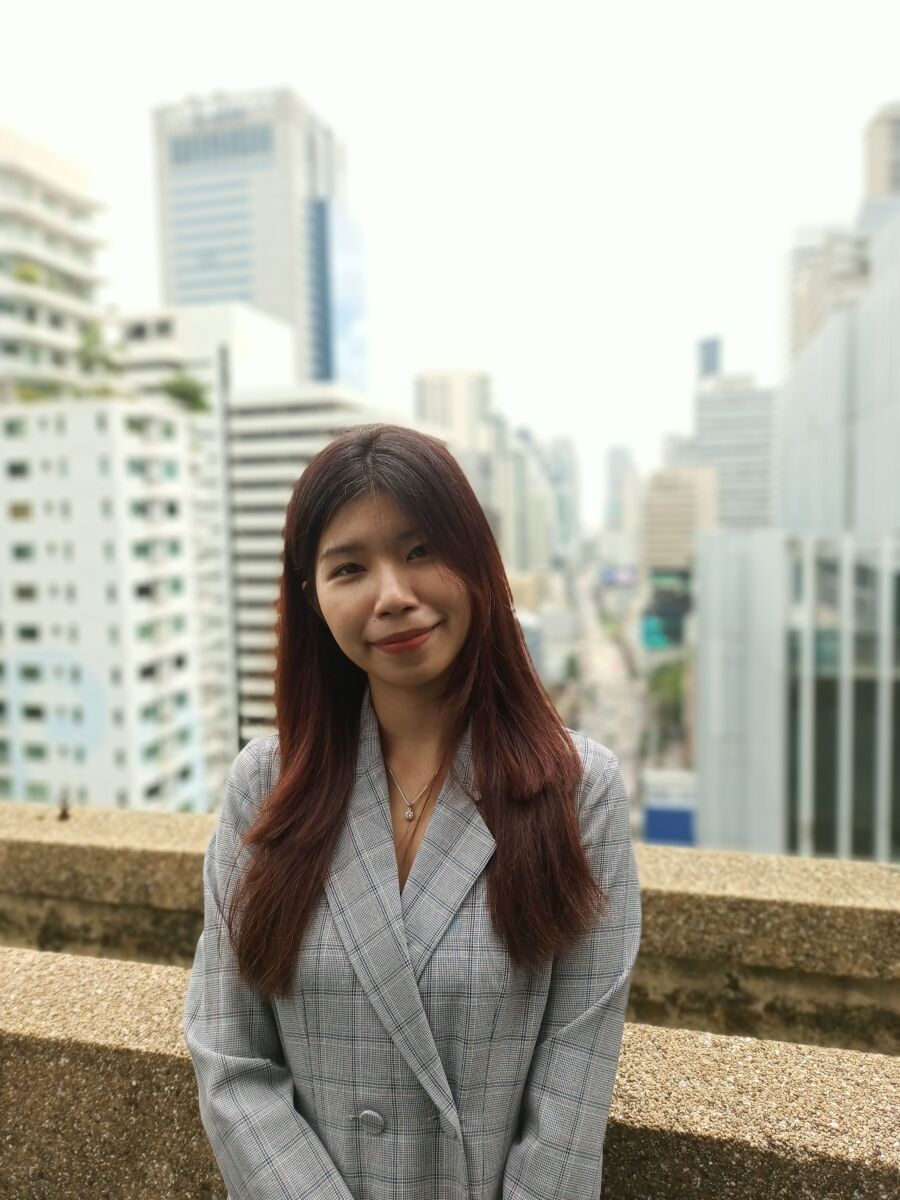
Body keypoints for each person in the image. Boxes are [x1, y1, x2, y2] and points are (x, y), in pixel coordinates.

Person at [183, 423, 642, 1200]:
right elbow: (229, 1055)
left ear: (478, 565)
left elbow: (573, 1094)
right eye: (350, 567)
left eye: (421, 550)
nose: (393, 595)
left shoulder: (577, 791)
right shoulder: (267, 785)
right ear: (313, 597)